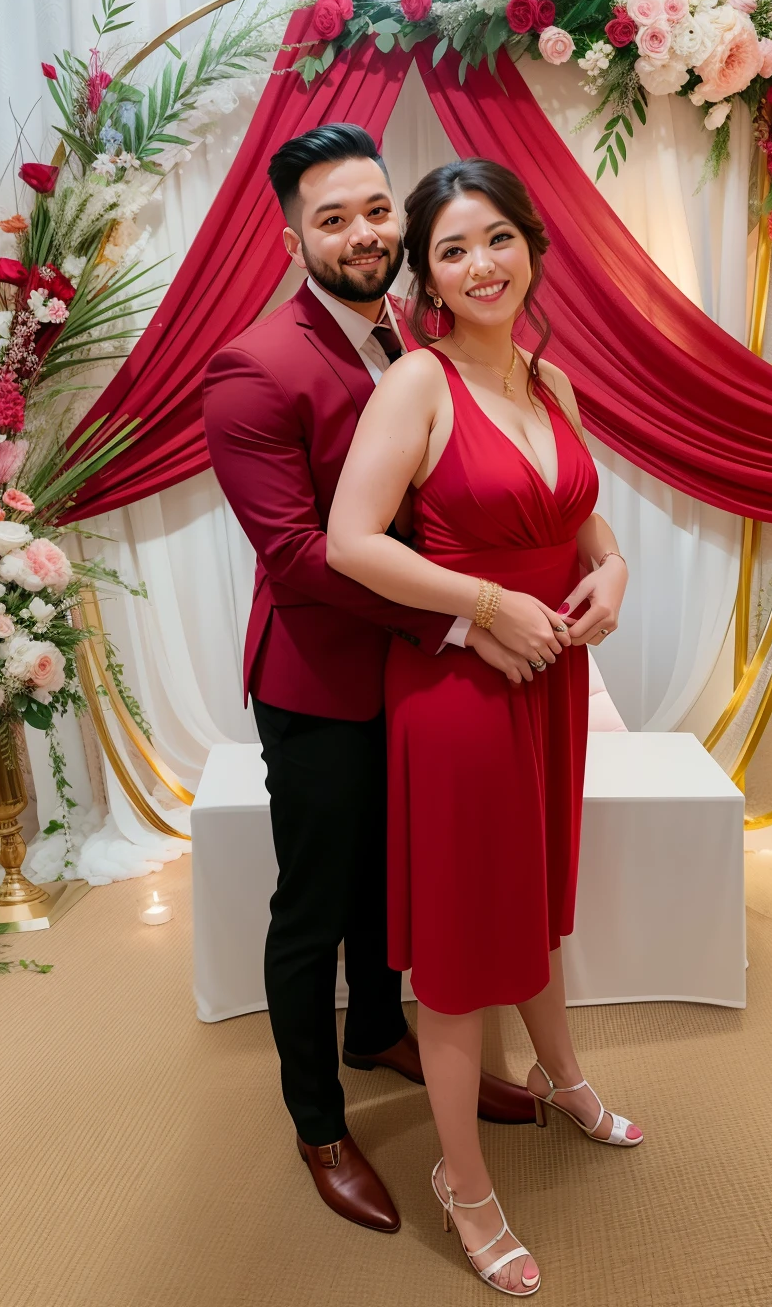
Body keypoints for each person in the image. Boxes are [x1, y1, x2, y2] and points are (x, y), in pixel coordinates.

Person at [202, 126, 536, 1237]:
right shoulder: (255, 365)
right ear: (291, 231)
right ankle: (318, 1120)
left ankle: (379, 1030)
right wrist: (459, 625)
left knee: (396, 883)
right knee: (315, 904)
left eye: (378, 211)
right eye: (334, 218)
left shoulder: (409, 331)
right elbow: (298, 553)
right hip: (322, 678)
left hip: (414, 668)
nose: (365, 234)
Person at [327, 158, 640, 1296]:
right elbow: (352, 541)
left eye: (496, 238)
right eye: (452, 250)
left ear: (531, 247)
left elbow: (582, 513)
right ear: (429, 277)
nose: (480, 265)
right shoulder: (414, 383)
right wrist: (485, 603)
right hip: (461, 698)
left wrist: (615, 567)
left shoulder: (553, 384)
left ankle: (560, 1078)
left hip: (551, 678)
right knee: (462, 958)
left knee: (538, 899)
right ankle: (465, 1184)